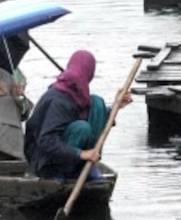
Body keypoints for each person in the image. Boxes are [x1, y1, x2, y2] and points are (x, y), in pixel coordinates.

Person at [24, 50, 131, 181]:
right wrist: (80, 153)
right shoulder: (58, 100)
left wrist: (117, 105)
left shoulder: (79, 95)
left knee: (97, 104)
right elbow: (46, 141)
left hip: (71, 155)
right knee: (81, 128)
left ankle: (87, 165)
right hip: (44, 161)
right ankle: (60, 171)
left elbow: (93, 117)